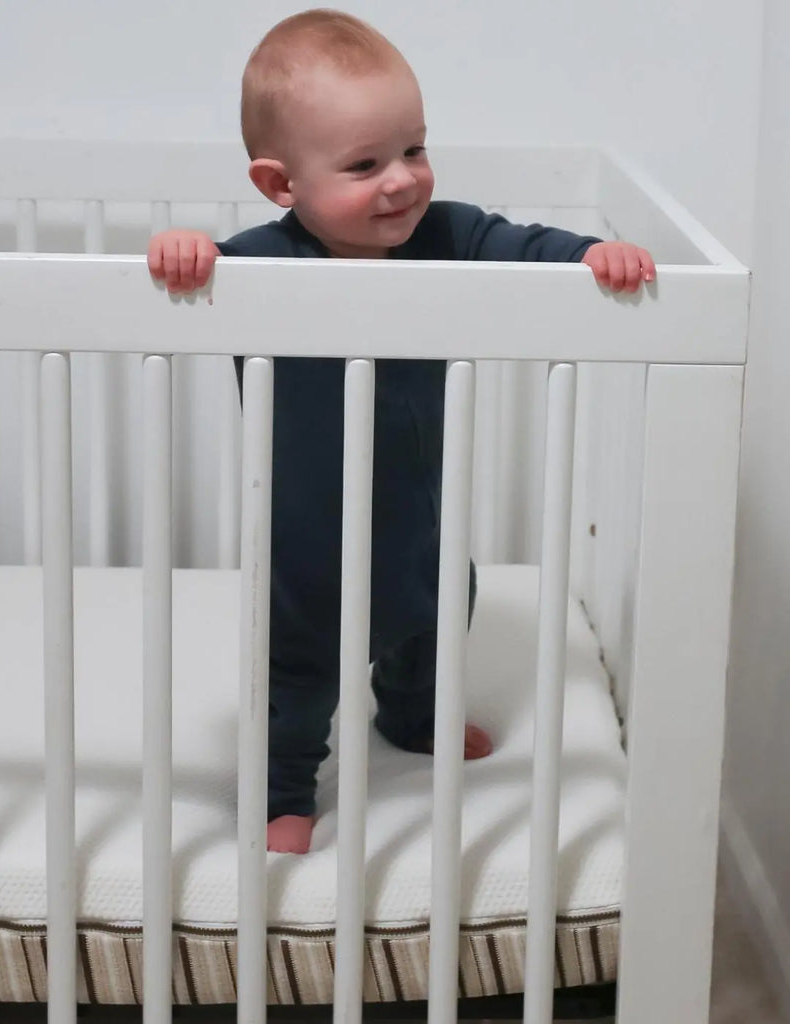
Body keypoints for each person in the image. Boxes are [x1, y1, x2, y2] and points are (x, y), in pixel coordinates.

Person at [147, 9, 655, 855]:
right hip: (308, 550)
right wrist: (182, 251)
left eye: (413, 150)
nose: (402, 181)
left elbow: (524, 244)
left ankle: (414, 717)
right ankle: (281, 789)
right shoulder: (259, 269)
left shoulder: (448, 235)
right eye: (364, 164)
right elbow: (200, 266)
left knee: (437, 618)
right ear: (282, 186)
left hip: (420, 522)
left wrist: (588, 258)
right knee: (297, 676)